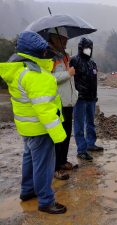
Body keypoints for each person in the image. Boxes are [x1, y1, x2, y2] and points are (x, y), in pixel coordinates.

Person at [0, 31, 67, 213]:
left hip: (26, 128)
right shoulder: (38, 76)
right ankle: (46, 200)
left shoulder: (18, 70)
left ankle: (27, 190)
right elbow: (44, 110)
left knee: (29, 159)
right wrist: (59, 135)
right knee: (44, 165)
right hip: (40, 129)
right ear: (39, 53)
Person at [48, 27, 78, 180]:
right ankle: (55, 167)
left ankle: (63, 160)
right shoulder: (49, 57)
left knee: (66, 134)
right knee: (58, 136)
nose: (66, 42)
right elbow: (49, 77)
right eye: (63, 39)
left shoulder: (64, 56)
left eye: (66, 40)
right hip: (57, 103)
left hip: (68, 101)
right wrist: (68, 73)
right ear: (54, 38)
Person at [71, 37, 103, 161]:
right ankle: (81, 150)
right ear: (81, 48)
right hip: (79, 99)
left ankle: (91, 144)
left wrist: (95, 96)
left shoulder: (92, 63)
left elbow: (94, 81)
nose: (89, 50)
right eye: (86, 48)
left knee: (91, 122)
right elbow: (70, 79)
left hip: (91, 98)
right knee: (79, 124)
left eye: (90, 48)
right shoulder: (74, 61)